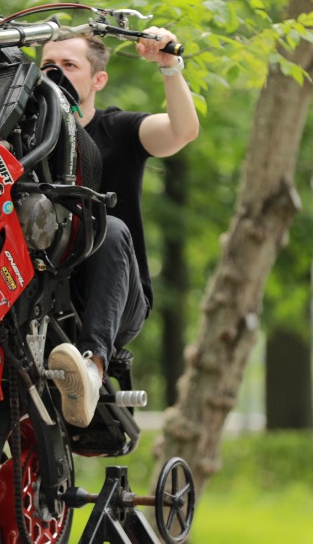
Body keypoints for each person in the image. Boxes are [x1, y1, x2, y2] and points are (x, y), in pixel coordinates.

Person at [40, 28, 199, 427]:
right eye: (47, 66)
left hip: (115, 295)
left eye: (68, 65)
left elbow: (182, 132)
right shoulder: (23, 140)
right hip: (43, 288)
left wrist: (169, 67)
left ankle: (92, 372)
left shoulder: (120, 130)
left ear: (98, 80)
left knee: (108, 227)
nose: (55, 73)